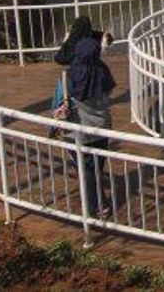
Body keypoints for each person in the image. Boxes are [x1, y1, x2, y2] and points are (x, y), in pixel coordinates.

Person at [66, 29, 116, 218]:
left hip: (76, 129)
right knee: (95, 168)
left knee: (85, 169)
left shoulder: (70, 73)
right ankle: (98, 202)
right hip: (101, 127)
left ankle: (95, 205)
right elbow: (109, 91)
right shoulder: (102, 70)